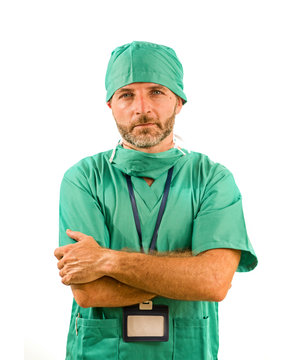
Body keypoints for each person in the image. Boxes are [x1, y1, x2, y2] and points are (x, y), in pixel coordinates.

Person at [54, 41, 258, 360]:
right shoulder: (83, 179)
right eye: (126, 95)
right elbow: (89, 290)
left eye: (156, 92)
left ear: (179, 101)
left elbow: (214, 282)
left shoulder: (212, 180)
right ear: (110, 104)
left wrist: (108, 260)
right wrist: (187, 272)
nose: (142, 108)